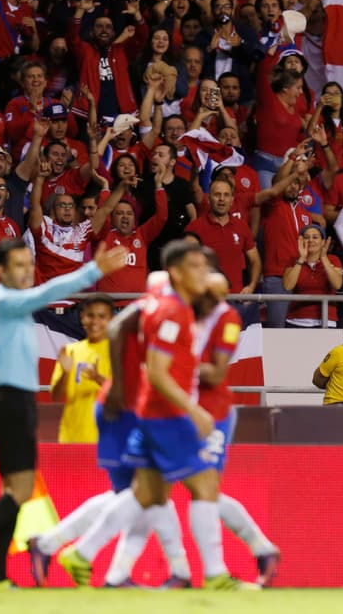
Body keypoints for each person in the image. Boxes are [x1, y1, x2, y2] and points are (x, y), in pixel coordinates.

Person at [54, 241, 257, 591]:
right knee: (204, 485)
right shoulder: (172, 312)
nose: (203, 275)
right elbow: (159, 372)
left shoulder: (168, 299)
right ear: (178, 274)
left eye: (204, 268)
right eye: (195, 268)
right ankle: (215, 575)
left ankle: (81, 553)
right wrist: (195, 410)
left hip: (151, 410)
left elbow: (191, 280)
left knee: (146, 492)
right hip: (166, 414)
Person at [0, 238, 129, 589]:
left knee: (14, 491)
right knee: (20, 491)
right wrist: (93, 271)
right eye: (18, 265)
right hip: (10, 402)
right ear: (0, 271)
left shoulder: (13, 306)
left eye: (29, 264)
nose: (27, 271)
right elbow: (46, 293)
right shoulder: (4, 301)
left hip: (16, 403)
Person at [50, 294, 115, 444]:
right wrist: (66, 374)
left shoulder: (118, 351)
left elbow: (126, 396)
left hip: (107, 438)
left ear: (111, 319)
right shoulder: (69, 350)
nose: (95, 322)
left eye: (101, 316)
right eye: (90, 316)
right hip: (71, 437)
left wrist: (98, 378)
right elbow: (56, 396)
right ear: (82, 318)